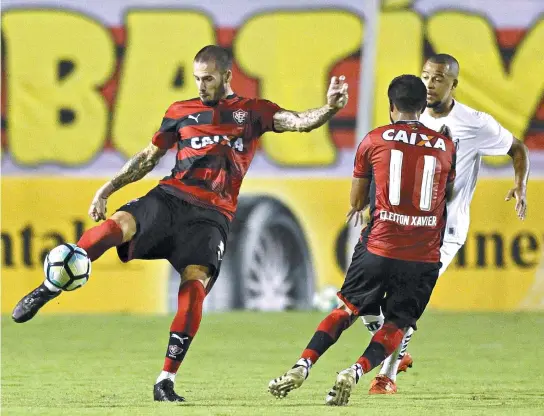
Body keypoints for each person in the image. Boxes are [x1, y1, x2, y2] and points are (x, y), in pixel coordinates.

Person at [11, 45, 349, 402]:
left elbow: (296, 121)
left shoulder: (251, 112)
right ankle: (49, 287)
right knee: (117, 225)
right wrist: (108, 188)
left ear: (227, 76)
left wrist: (329, 109)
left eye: (208, 78)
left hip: (212, 216)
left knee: (194, 287)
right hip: (170, 198)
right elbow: (148, 157)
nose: (201, 85)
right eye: (197, 79)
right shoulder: (180, 112)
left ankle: (165, 380)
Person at [268, 74, 456, 406]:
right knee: (397, 323)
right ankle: (355, 371)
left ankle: (303, 364)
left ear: (391, 106)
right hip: (422, 254)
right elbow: (446, 195)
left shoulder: (374, 139)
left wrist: (364, 207)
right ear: (423, 105)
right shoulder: (446, 146)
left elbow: (357, 200)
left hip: (379, 245)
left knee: (347, 308)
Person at [363, 54, 530, 395]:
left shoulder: (475, 122)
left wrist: (520, 185)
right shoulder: (411, 114)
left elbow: (517, 148)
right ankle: (395, 343)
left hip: (445, 230)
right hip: (403, 223)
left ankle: (387, 376)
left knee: (404, 301)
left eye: (438, 78)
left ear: (454, 84)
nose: (429, 83)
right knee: (366, 302)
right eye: (425, 75)